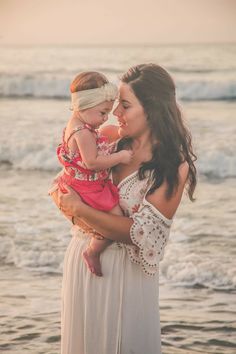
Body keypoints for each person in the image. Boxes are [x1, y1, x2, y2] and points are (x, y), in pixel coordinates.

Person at [51, 63, 197, 354]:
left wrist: (79, 209)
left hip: (126, 276)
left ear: (153, 109)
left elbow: (139, 233)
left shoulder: (173, 167)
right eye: (116, 104)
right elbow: (65, 183)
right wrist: (66, 202)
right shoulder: (106, 136)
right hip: (82, 261)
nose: (116, 113)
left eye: (126, 105)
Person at [50, 71, 133, 276]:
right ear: (84, 106)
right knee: (115, 222)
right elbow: (93, 162)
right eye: (103, 112)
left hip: (77, 182)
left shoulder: (75, 123)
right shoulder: (84, 132)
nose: (106, 118)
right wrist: (121, 156)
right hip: (88, 188)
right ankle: (93, 252)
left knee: (105, 222)